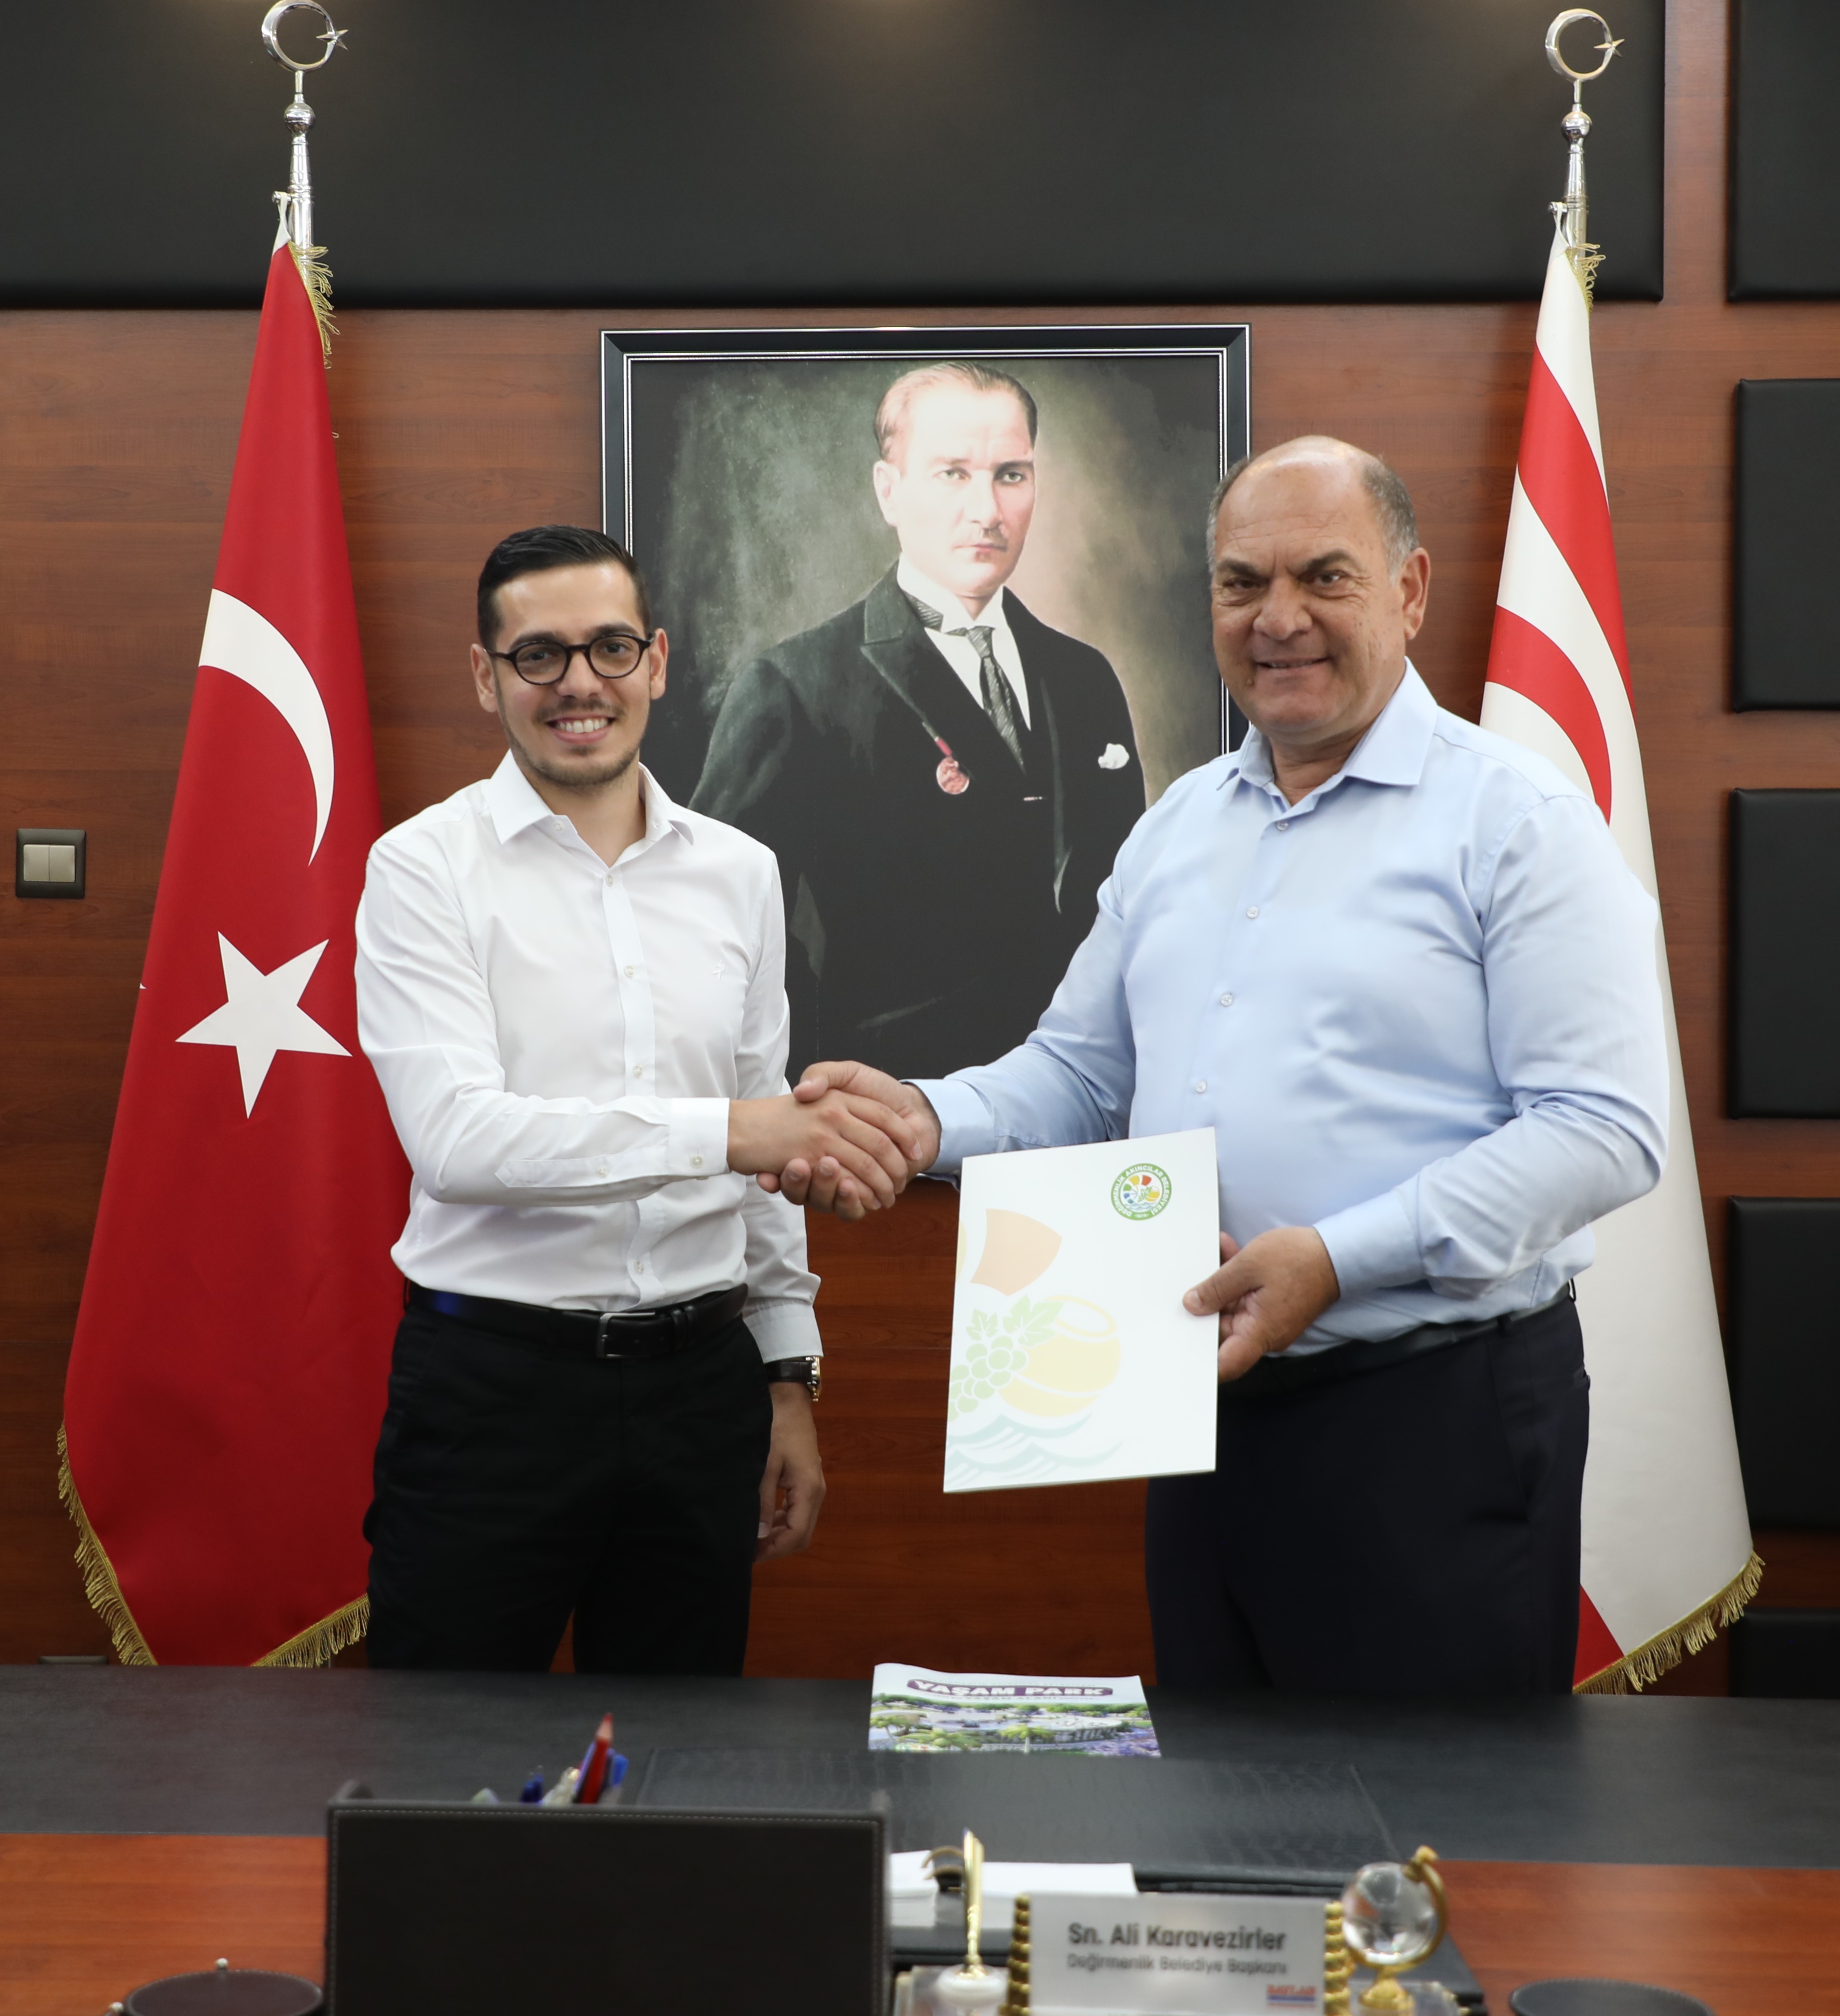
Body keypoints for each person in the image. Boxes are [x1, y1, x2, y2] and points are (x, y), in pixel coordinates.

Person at [766, 439, 1669, 1692]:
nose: (1276, 617)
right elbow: (1076, 1076)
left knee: (1430, 1807)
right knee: (1221, 1790)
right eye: (1242, 582)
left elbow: (1603, 1129)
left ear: (1408, 590)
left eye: (1323, 577)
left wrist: (1333, 1259)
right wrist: (923, 1117)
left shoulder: (1517, 820)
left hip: (1433, 1419)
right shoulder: (1177, 826)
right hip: (1198, 1408)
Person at [353, 524, 922, 1673]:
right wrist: (735, 1130)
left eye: (610, 647)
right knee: (443, 1756)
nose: (580, 683)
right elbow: (459, 1140)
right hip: (493, 1395)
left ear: (656, 662)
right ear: (486, 677)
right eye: (539, 654)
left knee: (678, 1753)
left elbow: (764, 1160)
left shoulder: (739, 872)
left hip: (701, 1392)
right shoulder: (421, 868)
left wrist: (786, 1374)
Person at [692, 361, 1146, 1079]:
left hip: (1088, 1094)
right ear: (889, 491)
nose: (987, 510)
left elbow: (1128, 898)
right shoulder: (795, 686)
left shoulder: (1084, 677)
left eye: (1011, 475)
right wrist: (818, 1075)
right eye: (952, 474)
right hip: (893, 1102)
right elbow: (720, 925)